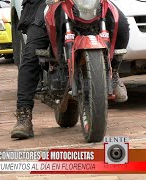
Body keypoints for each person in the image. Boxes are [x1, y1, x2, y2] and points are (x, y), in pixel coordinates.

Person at [11, 0, 130, 139]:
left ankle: (113, 72)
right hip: (46, 2)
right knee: (31, 53)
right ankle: (24, 114)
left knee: (120, 24)